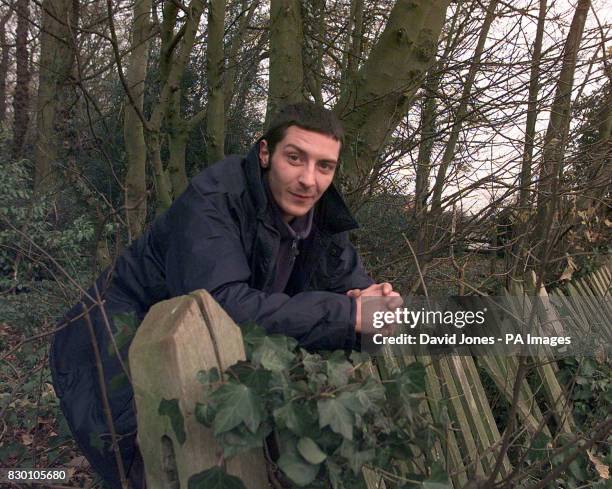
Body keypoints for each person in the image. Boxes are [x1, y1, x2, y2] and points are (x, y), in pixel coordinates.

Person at [49, 102, 398, 489]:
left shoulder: (322, 220)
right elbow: (220, 305)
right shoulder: (214, 198)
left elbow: (351, 290)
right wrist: (347, 314)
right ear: (265, 153)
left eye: (324, 167)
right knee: (152, 471)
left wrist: (374, 300)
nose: (308, 180)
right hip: (112, 343)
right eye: (295, 158)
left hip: (205, 353)